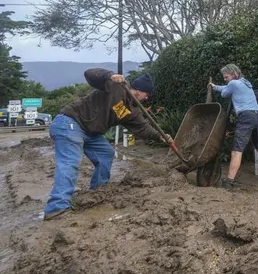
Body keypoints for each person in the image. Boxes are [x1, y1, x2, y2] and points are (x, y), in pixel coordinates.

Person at [44, 69, 173, 221]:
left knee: (106, 153)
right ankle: (57, 208)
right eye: (147, 94)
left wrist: (160, 136)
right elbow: (89, 74)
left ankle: (98, 190)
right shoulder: (116, 86)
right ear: (139, 90)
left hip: (91, 133)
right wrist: (109, 75)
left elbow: (143, 128)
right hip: (70, 122)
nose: (147, 97)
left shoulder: (132, 110)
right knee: (70, 162)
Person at [209, 64, 258, 190]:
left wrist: (215, 89)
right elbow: (226, 87)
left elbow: (224, 93)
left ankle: (229, 182)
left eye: (226, 76)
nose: (225, 78)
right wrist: (214, 87)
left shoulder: (233, 84)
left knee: (237, 150)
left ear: (233, 74)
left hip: (246, 116)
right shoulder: (245, 83)